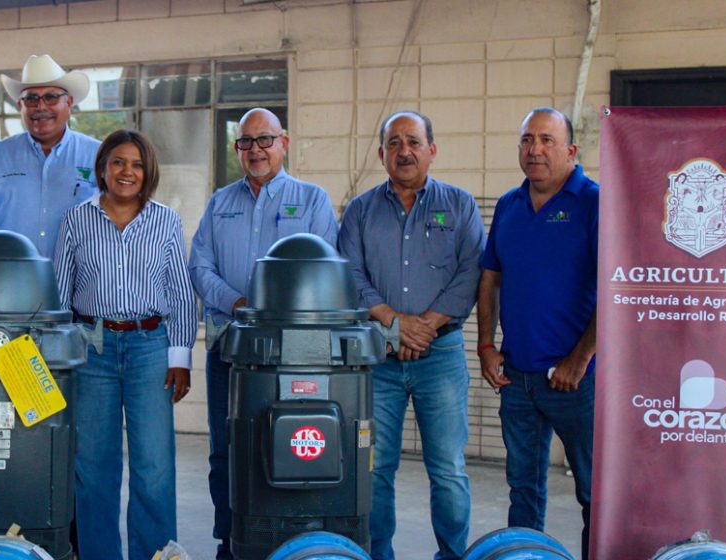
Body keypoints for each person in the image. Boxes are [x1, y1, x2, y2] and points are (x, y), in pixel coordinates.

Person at [188, 107, 338, 560]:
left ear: (284, 143)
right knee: (225, 451)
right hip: (230, 349)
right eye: (246, 142)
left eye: (264, 140)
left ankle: (290, 538)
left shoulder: (312, 200)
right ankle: (230, 540)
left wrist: (272, 312)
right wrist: (240, 305)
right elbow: (200, 265)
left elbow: (323, 269)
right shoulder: (220, 203)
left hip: (293, 355)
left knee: (287, 444)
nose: (256, 150)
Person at [337, 111, 484, 560]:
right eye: (395, 143)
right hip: (377, 359)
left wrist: (426, 326)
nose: (404, 151)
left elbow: (470, 272)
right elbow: (349, 274)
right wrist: (394, 323)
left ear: (431, 150)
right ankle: (378, 554)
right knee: (375, 468)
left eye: (414, 142)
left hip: (440, 356)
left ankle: (452, 555)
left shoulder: (460, 205)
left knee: (448, 469)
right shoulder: (360, 210)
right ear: (382, 153)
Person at [53, 129, 197, 560]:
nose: (126, 171)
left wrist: (181, 357)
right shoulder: (76, 219)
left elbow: (181, 295)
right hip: (90, 348)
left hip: (150, 348)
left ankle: (155, 555)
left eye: (136, 164)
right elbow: (61, 294)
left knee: (153, 466)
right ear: (102, 168)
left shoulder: (166, 221)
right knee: (93, 467)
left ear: (147, 172)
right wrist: (58, 359)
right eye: (118, 162)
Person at [477, 107, 597, 560]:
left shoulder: (594, 202)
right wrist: (486, 345)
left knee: (593, 492)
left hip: (575, 382)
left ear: (570, 150)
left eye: (547, 140)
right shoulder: (509, 204)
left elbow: (614, 286)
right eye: (528, 140)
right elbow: (490, 277)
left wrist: (579, 360)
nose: (535, 150)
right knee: (522, 492)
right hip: (518, 380)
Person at [0, 54, 100, 258]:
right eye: (31, 99)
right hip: (9, 283)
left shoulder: (98, 156)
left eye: (51, 97)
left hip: (81, 284)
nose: (41, 106)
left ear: (69, 103)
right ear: (20, 107)